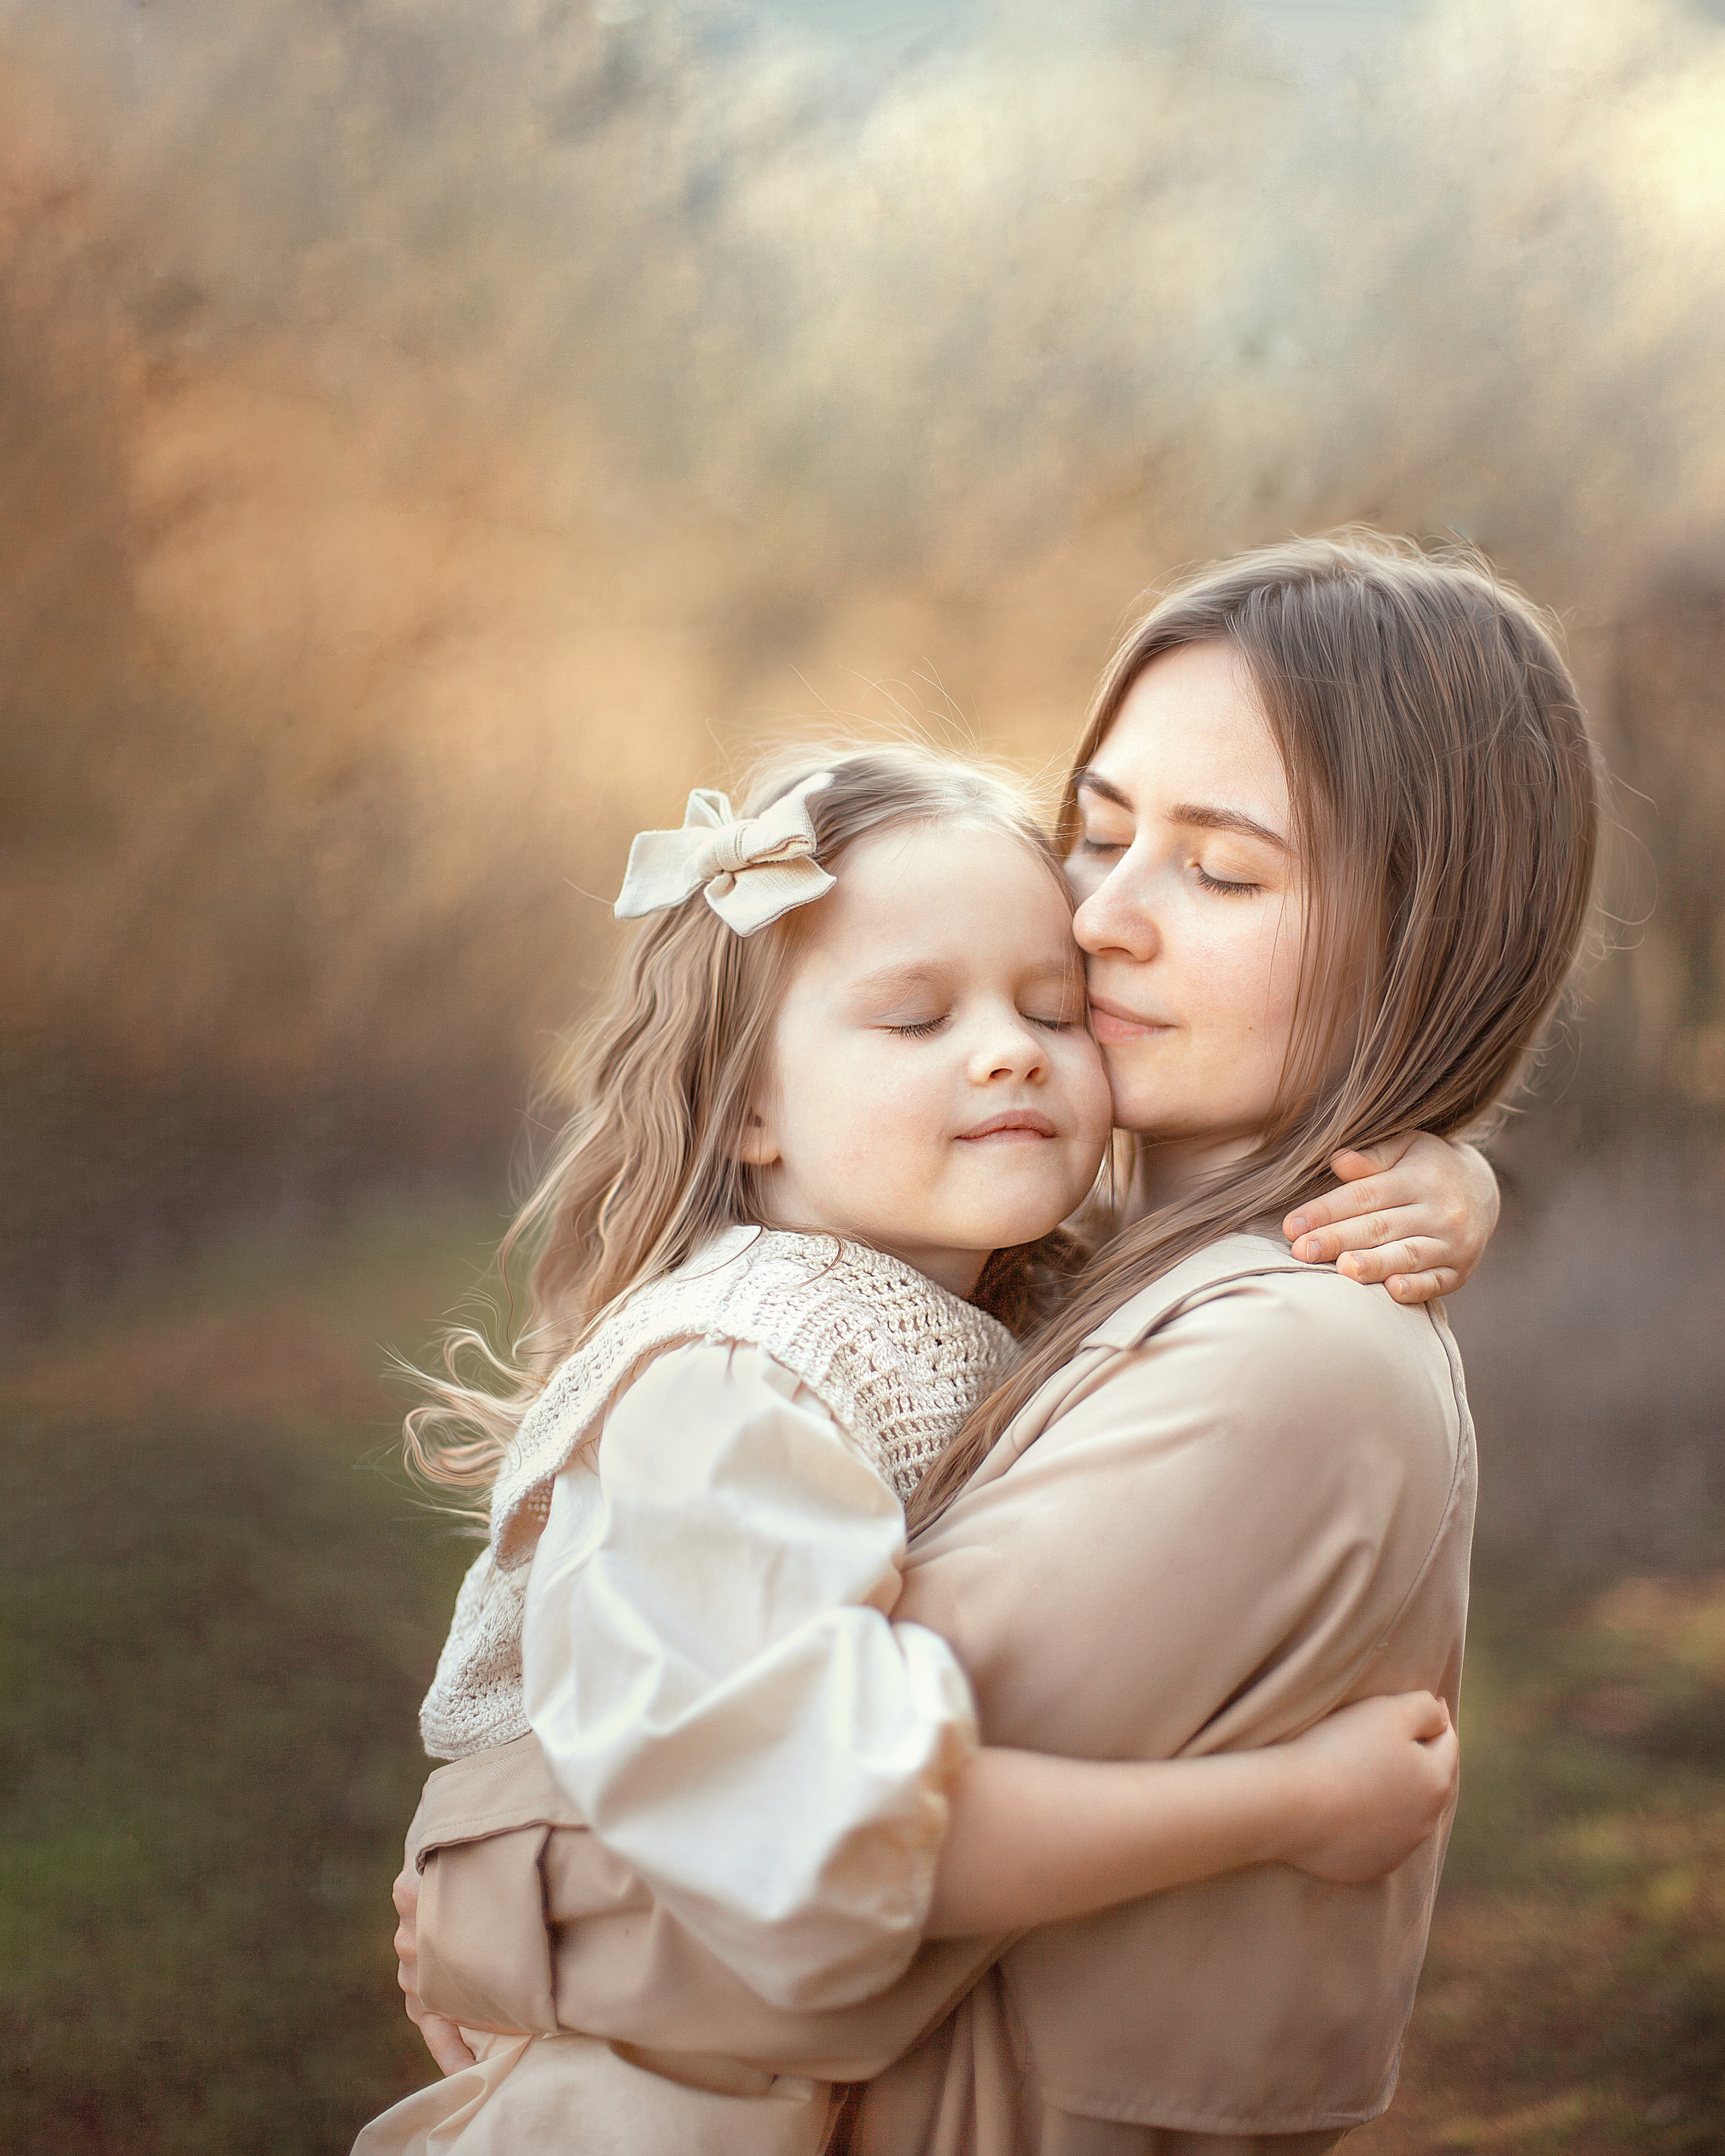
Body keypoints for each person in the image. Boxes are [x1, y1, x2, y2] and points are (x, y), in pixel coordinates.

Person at [354, 740, 1491, 2155]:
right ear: (747, 1107)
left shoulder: (1000, 1289)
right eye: (910, 1020)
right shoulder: (730, 1382)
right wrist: (1287, 1802)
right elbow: (833, 1840)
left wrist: (1440, 1173)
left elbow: (1236, 1217)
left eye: (1052, 1008)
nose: (1007, 1048)